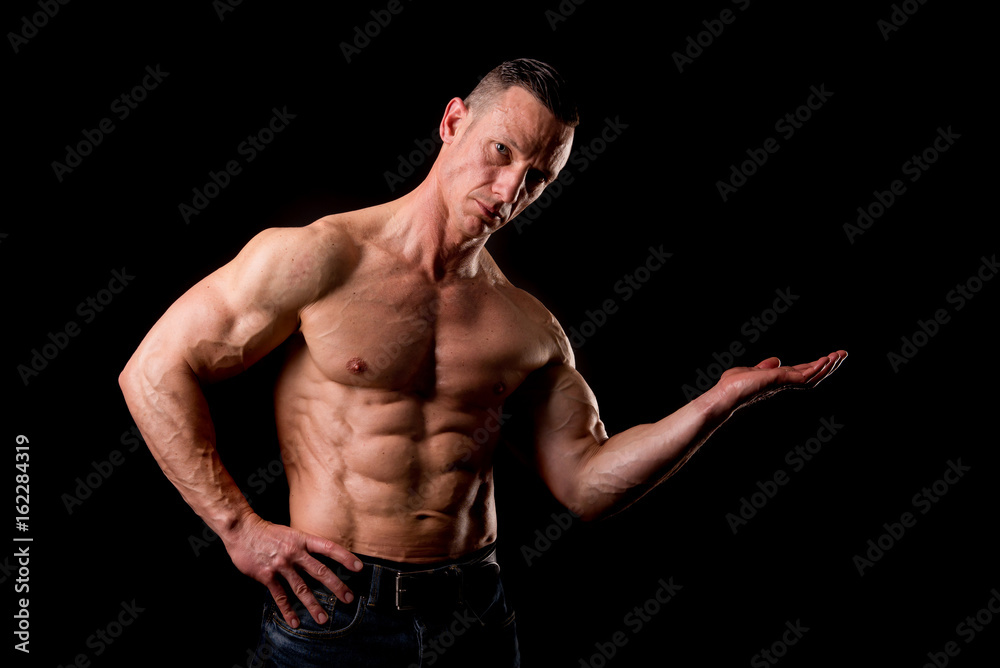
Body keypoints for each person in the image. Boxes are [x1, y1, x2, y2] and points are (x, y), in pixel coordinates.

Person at [119, 58, 846, 667]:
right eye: (502, 152)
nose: (509, 192)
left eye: (536, 178)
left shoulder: (529, 325)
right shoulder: (318, 258)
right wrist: (239, 528)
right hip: (337, 613)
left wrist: (717, 403)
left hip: (476, 616)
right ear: (453, 121)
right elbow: (151, 371)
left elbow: (587, 485)